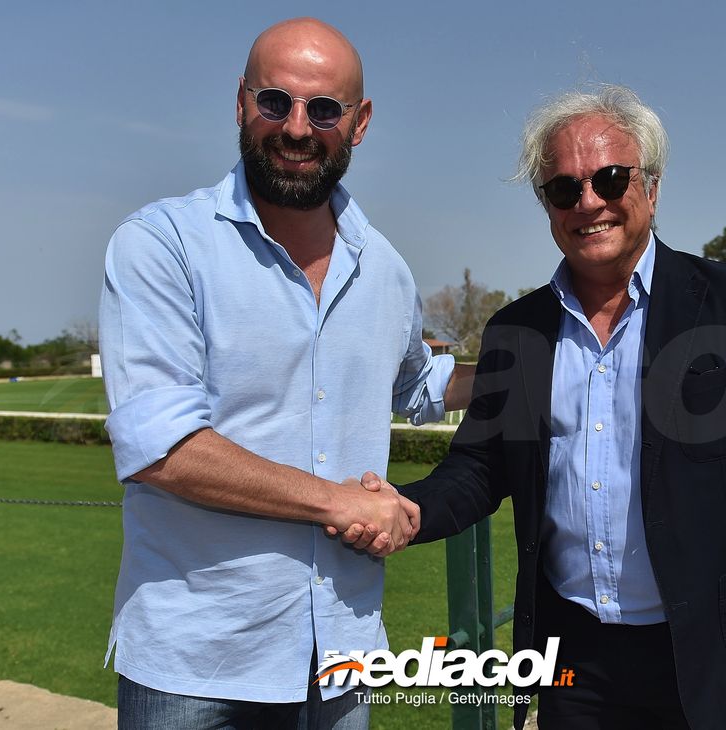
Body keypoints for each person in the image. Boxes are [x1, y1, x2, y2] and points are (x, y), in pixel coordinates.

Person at [343, 85, 726, 729]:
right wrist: (409, 510)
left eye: (610, 179)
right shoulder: (521, 330)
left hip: (722, 656)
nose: (588, 202)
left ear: (651, 188)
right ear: (547, 205)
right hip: (579, 669)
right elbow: (481, 467)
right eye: (564, 189)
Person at [98, 17, 472, 730]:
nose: (297, 127)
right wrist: (340, 502)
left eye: (324, 109)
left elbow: (418, 385)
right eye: (276, 101)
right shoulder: (161, 244)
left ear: (358, 124)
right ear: (241, 103)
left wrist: (529, 365)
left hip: (342, 655)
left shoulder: (384, 267)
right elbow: (162, 448)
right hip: (198, 663)